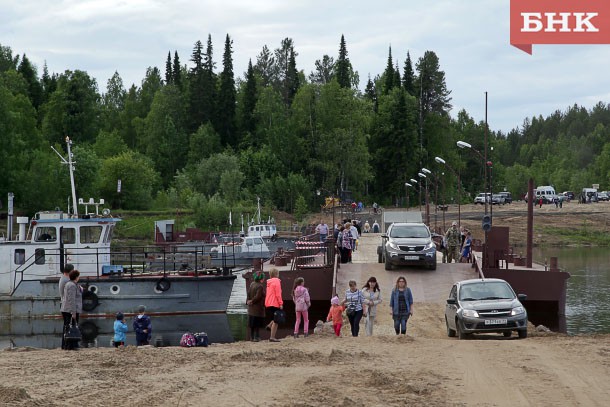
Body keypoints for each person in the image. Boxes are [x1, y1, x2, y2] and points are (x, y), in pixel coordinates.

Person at [61, 269, 82, 350]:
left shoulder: (71, 284)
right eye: (78, 276)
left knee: (68, 327)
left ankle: (67, 345)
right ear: (76, 277)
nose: (79, 278)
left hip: (67, 309)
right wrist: (73, 312)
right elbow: (71, 299)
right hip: (70, 310)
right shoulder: (72, 286)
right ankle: (71, 345)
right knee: (71, 327)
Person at [264, 268, 283, 342]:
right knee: (276, 321)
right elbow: (278, 294)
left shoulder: (269, 283)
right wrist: (280, 303)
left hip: (268, 303)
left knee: (275, 318)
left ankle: (269, 325)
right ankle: (272, 337)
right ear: (276, 274)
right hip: (275, 303)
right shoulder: (277, 282)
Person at [246, 270, 265, 342]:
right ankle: (256, 337)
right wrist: (252, 301)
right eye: (263, 278)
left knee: (252, 324)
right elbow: (258, 297)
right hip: (257, 308)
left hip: (251, 309)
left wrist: (248, 301)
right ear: (261, 279)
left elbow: (248, 293)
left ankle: (251, 337)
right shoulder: (260, 286)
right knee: (257, 324)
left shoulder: (252, 284)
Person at [58, 263, 74, 350]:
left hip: (64, 304)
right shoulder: (66, 280)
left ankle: (66, 344)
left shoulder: (64, 279)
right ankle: (67, 345)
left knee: (67, 324)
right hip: (66, 305)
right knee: (68, 324)